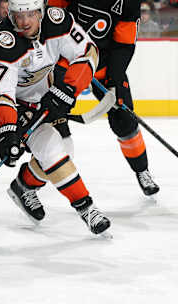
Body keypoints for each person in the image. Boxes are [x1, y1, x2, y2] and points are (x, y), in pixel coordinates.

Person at [0, 0, 110, 234]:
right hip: (9, 104)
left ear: (42, 12)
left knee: (65, 147)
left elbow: (87, 52)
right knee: (52, 151)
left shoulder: (58, 20)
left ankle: (23, 186)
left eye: (30, 14)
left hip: (42, 94)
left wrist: (69, 89)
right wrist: (8, 130)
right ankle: (86, 209)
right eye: (18, 15)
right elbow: (0, 94)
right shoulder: (3, 40)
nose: (24, 21)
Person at [48, 0, 160, 197]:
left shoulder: (129, 2)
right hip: (68, 60)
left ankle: (142, 170)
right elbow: (51, 13)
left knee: (124, 119)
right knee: (51, 114)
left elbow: (124, 45)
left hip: (104, 65)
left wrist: (115, 80)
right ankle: (27, 185)